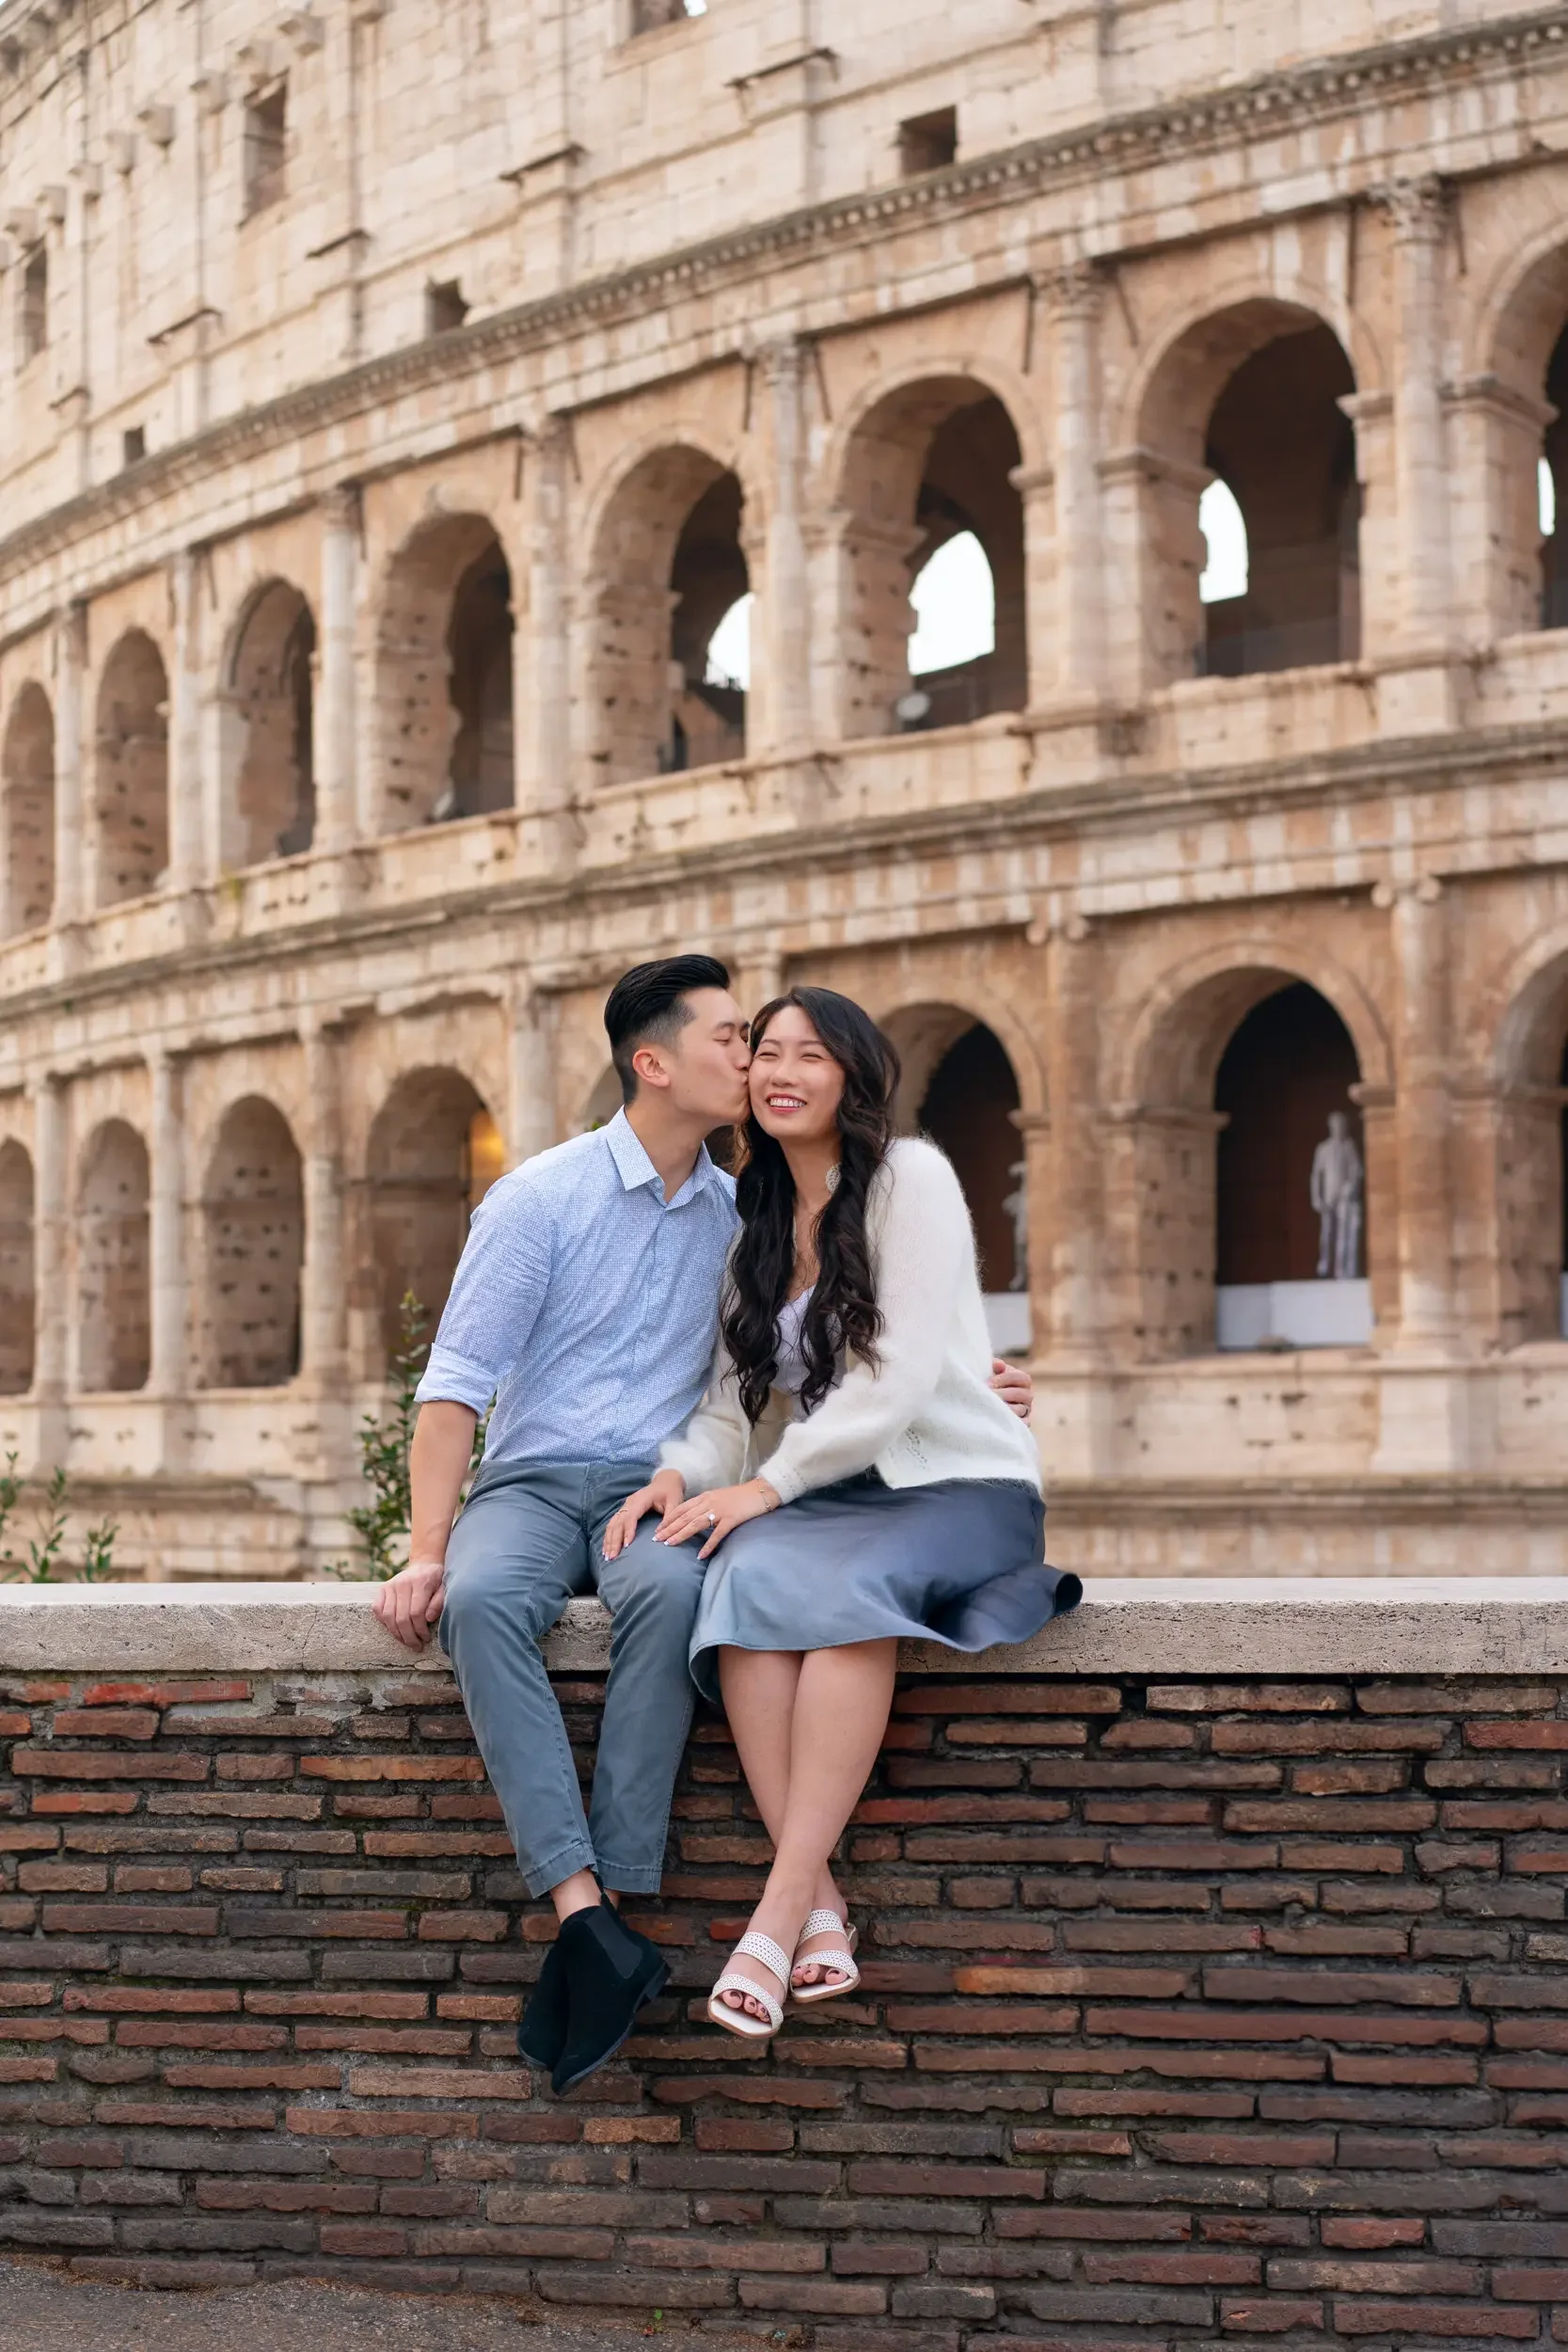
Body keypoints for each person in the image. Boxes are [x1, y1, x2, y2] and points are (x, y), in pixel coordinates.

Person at [372, 956, 1035, 2094]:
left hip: (791, 1483)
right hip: (552, 1479)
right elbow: (485, 1387)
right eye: (741, 1041)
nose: (757, 1063)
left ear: (849, 1075)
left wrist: (956, 1380)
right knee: (501, 1602)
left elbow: (860, 1363)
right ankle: (588, 1915)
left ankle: (706, 1898)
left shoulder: (788, 1201)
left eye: (785, 1049)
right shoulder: (565, 1200)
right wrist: (430, 1546)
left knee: (683, 1597)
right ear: (654, 1061)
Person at [604, 987, 1081, 2043]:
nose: (779, 1071)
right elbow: (725, 1405)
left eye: (808, 1055)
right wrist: (682, 1476)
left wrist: (765, 1487)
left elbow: (899, 1380)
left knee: (842, 1597)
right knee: (738, 1580)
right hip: (844, 1493)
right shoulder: (753, 1222)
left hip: (960, 1485)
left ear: (853, 1074)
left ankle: (774, 1918)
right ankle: (818, 1905)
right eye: (763, 1053)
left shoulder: (912, 1176)